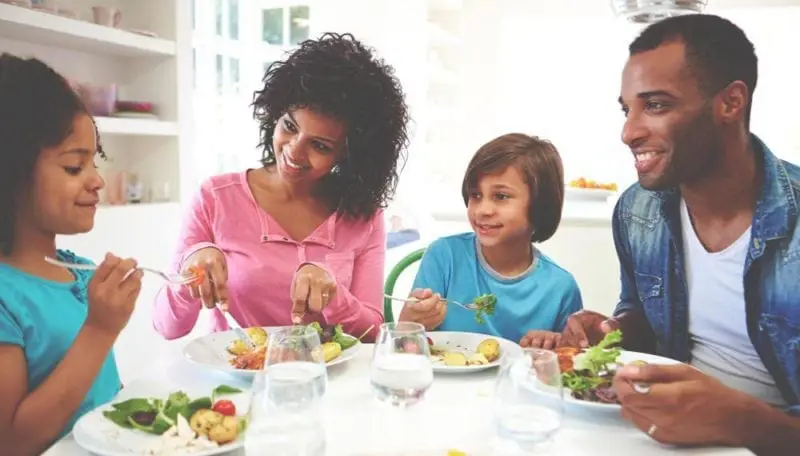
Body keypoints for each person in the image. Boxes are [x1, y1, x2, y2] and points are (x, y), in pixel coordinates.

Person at [559, 14, 799, 453]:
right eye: (626, 108)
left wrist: (736, 419)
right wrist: (614, 329)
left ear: (730, 103)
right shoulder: (637, 211)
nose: (629, 132)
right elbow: (645, 316)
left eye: (655, 105)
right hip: (662, 434)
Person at [153, 33, 409, 342]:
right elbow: (168, 327)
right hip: (239, 383)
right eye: (289, 126)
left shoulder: (363, 216)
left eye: (320, 145)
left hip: (331, 385)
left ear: (349, 155)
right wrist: (188, 271)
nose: (294, 152)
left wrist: (335, 296)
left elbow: (371, 334)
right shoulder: (215, 198)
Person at [0, 54, 143, 454]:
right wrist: (101, 329)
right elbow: (10, 442)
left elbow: (96, 397)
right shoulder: (5, 295)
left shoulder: (79, 272)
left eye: (94, 163)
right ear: (10, 174)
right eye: (73, 167)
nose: (97, 181)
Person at [399, 133, 583, 347]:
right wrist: (408, 324)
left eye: (501, 196)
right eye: (476, 195)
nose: (483, 210)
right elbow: (405, 347)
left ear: (541, 205)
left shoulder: (561, 288)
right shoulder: (444, 256)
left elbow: (571, 366)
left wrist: (553, 349)